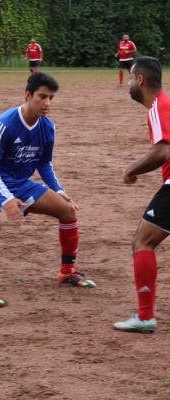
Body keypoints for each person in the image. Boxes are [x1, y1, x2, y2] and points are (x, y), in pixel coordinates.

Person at [0, 72, 96, 307]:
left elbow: (44, 163)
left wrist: (58, 189)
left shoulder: (47, 127)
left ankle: (67, 271)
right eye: (42, 97)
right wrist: (6, 199)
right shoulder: (4, 124)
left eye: (51, 98)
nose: (47, 103)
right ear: (28, 95)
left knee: (68, 212)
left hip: (20, 183)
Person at [114, 57, 170, 333]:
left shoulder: (159, 106)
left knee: (142, 242)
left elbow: (162, 152)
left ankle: (145, 316)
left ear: (140, 81)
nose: (129, 83)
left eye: (131, 77)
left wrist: (131, 170)